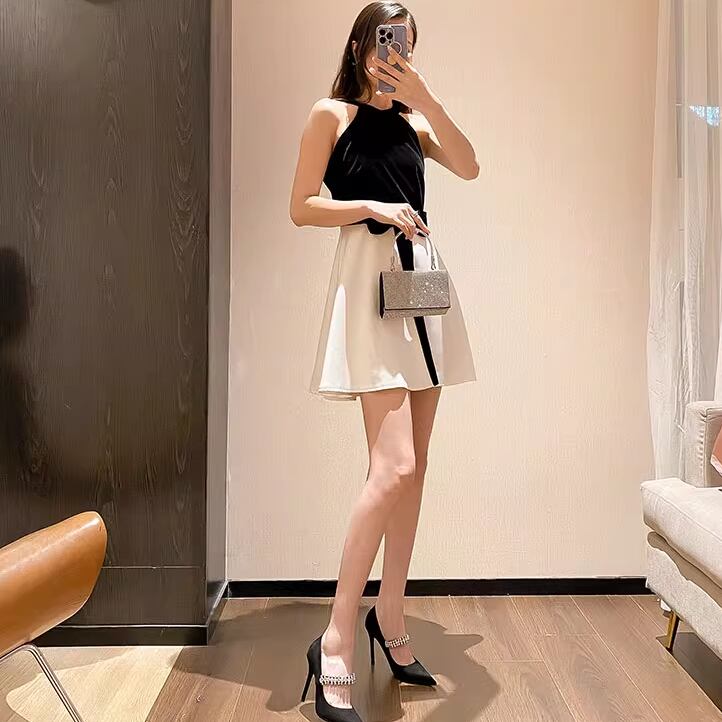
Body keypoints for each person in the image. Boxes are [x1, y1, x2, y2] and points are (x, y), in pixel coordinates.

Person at [289, 3, 478, 720]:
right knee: (392, 466)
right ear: (360, 45)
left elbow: (471, 165)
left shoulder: (414, 122)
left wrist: (425, 97)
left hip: (421, 283)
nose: (392, 53)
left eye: (405, 44)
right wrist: (371, 204)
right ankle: (337, 636)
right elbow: (302, 206)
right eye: (383, 40)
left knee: (416, 467)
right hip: (369, 284)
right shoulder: (330, 115)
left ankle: (390, 617)